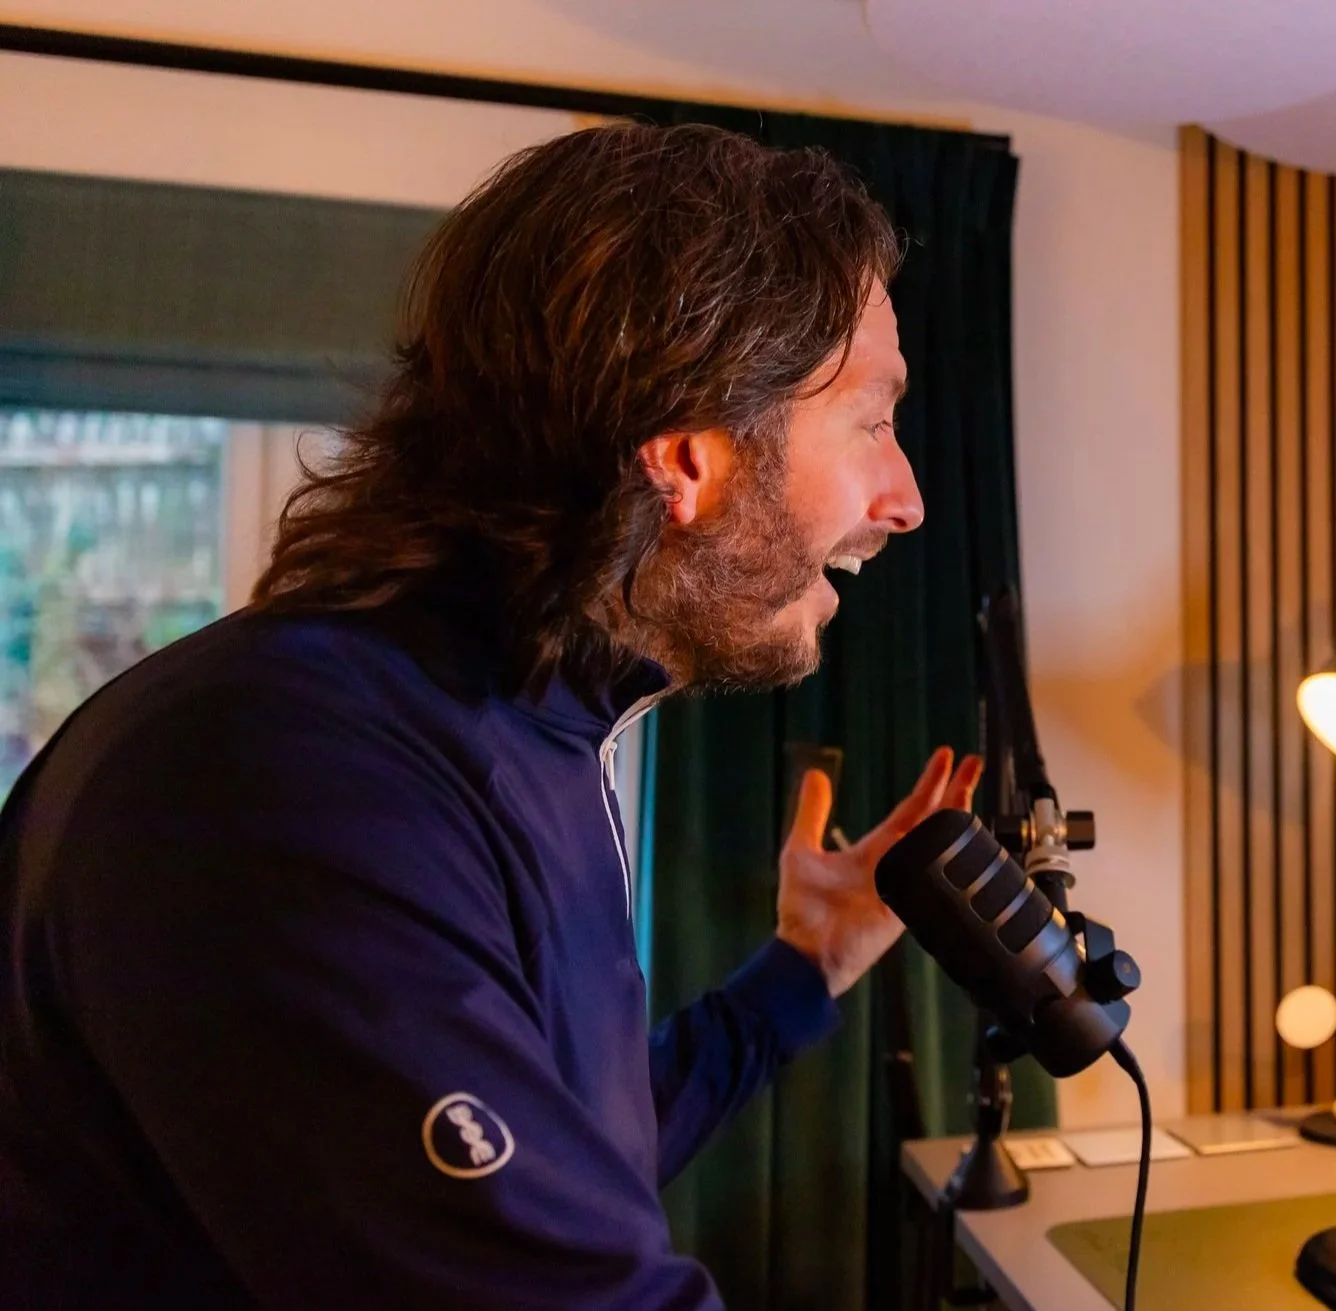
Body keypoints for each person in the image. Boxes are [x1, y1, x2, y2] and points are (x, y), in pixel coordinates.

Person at [0, 122, 982, 1308]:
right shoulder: (276, 778)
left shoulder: (527, 733)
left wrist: (801, 969)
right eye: (873, 422)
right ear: (686, 453)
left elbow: (560, 1161)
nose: (907, 498)